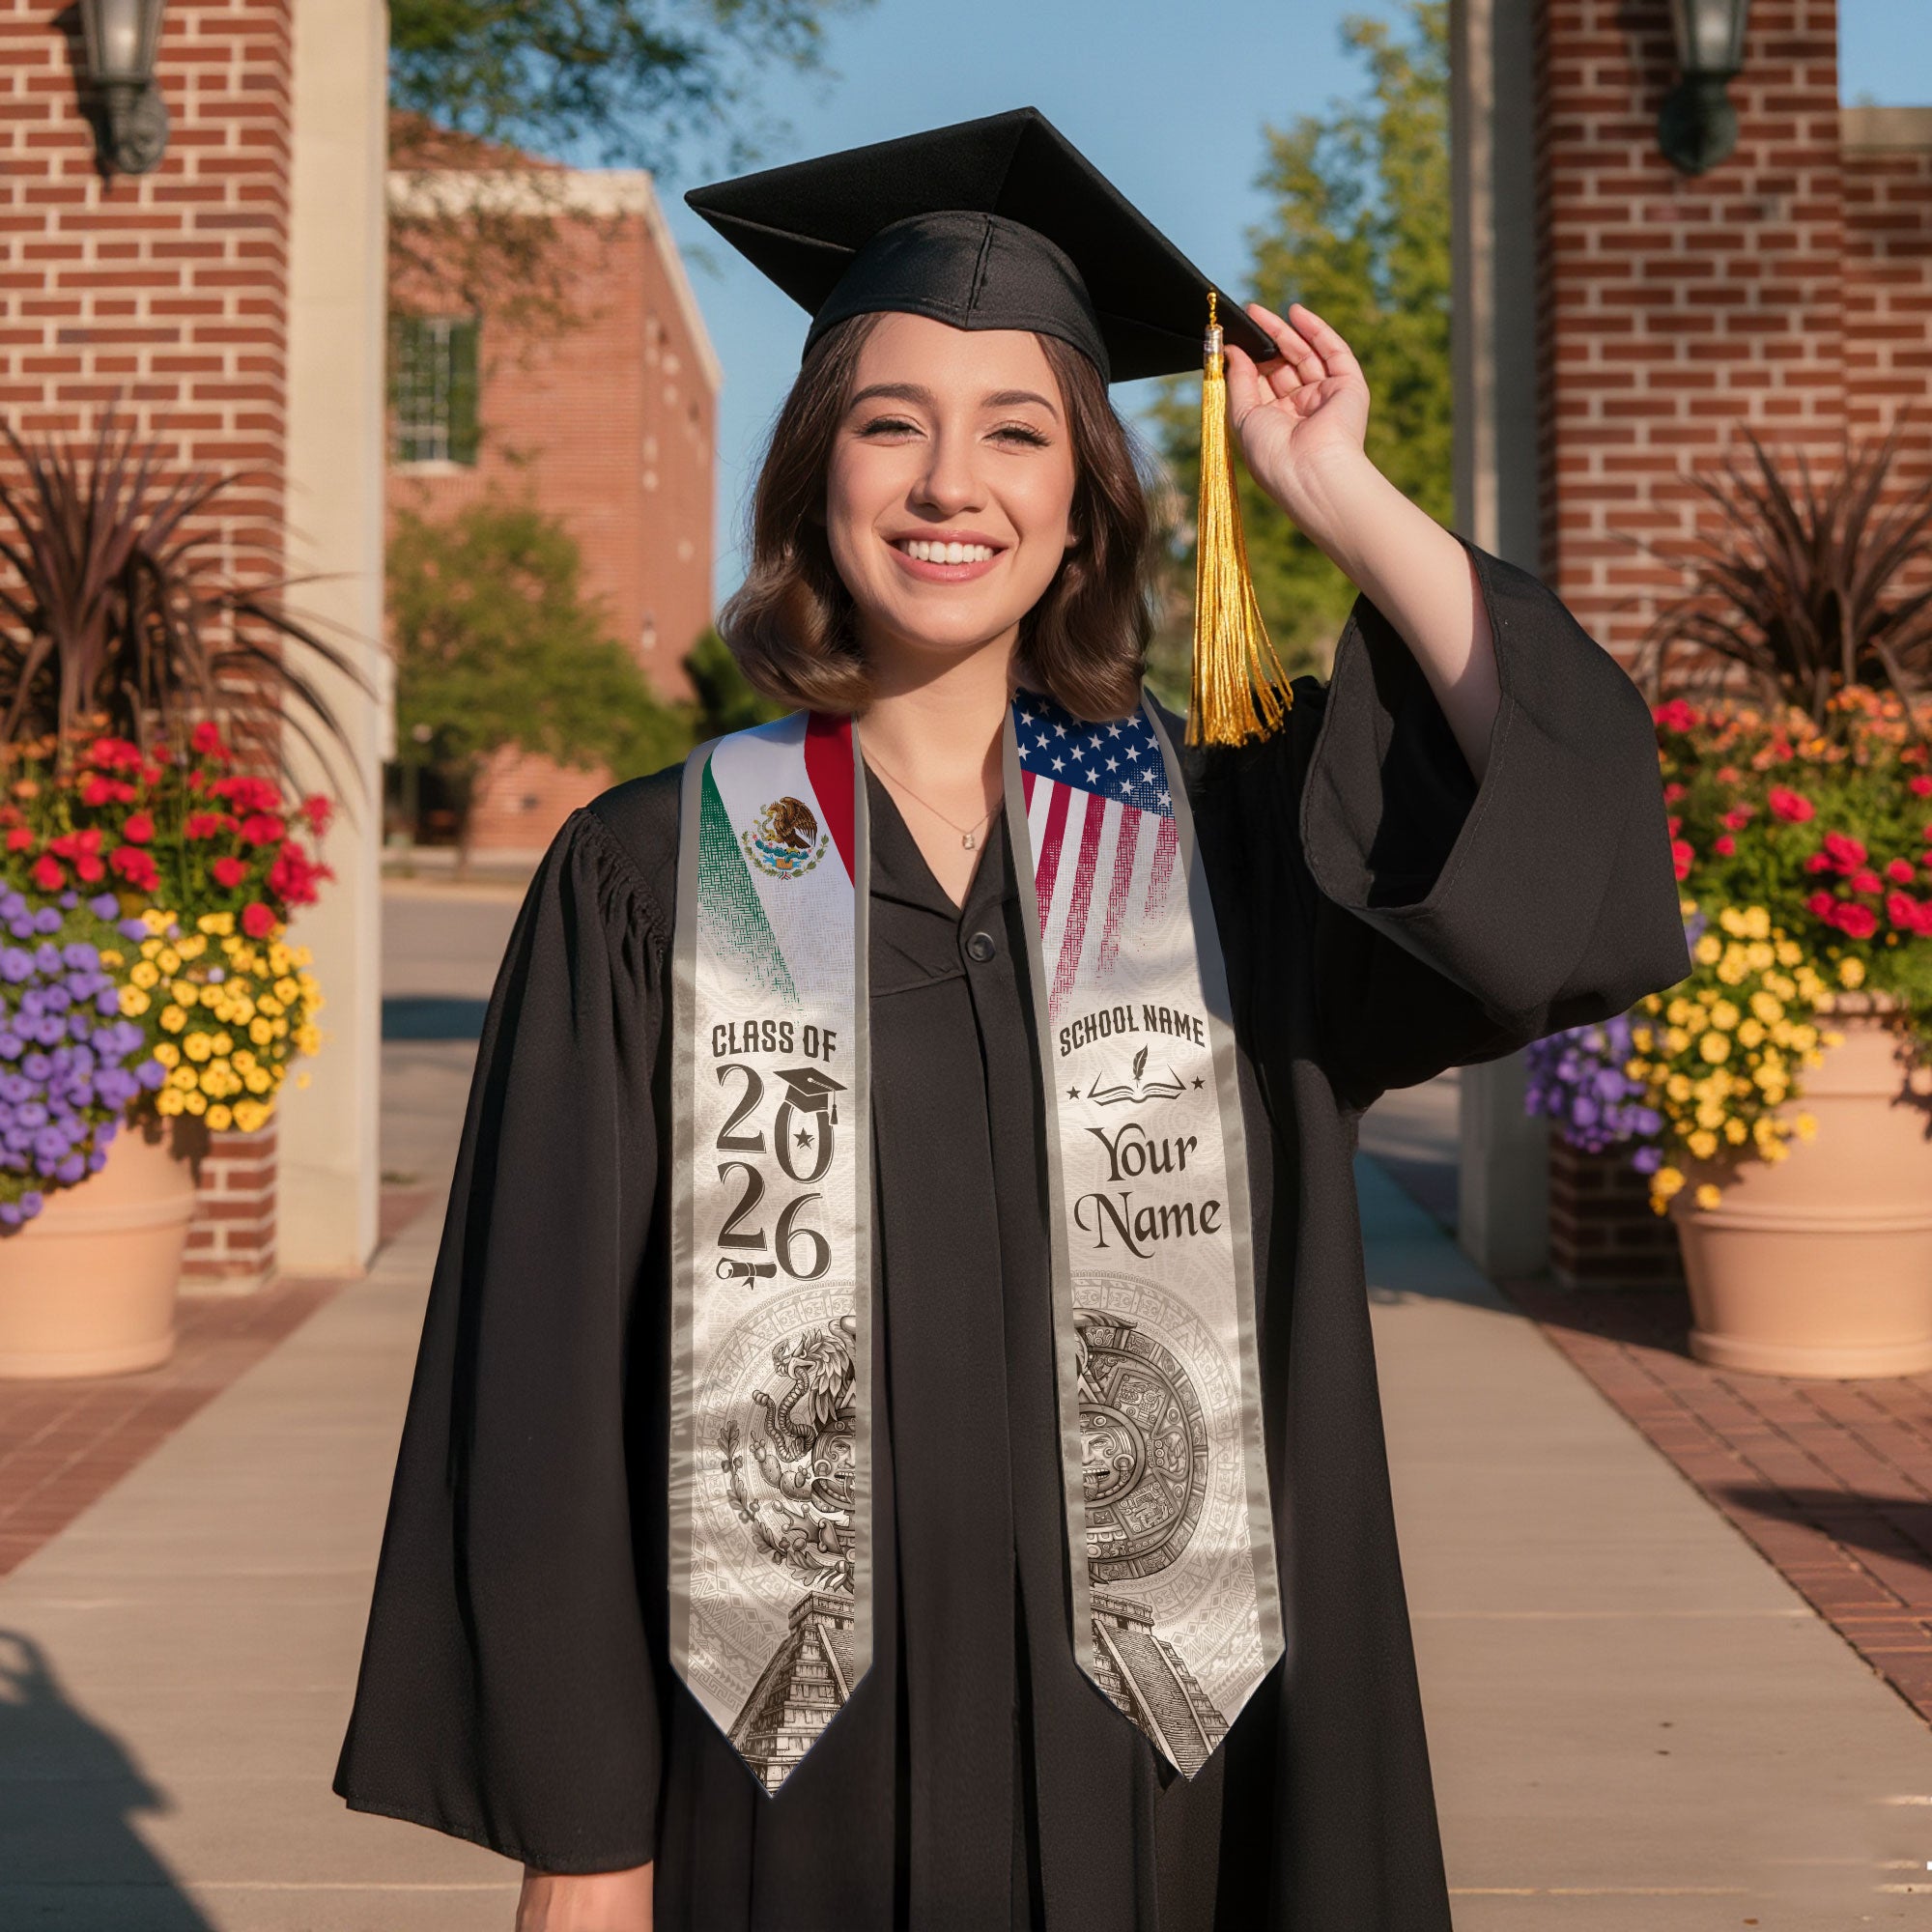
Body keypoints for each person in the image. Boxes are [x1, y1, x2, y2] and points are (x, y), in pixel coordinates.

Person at [333, 109, 1690, 1932]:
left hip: (1183, 1783)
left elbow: (1558, 829)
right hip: (783, 1792)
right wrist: (585, 1844)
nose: (948, 483)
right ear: (819, 472)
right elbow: (549, 1386)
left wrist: (1336, 491)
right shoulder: (656, 878)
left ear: (1082, 505)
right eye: (892, 424)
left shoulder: (1226, 852)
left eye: (1016, 433)